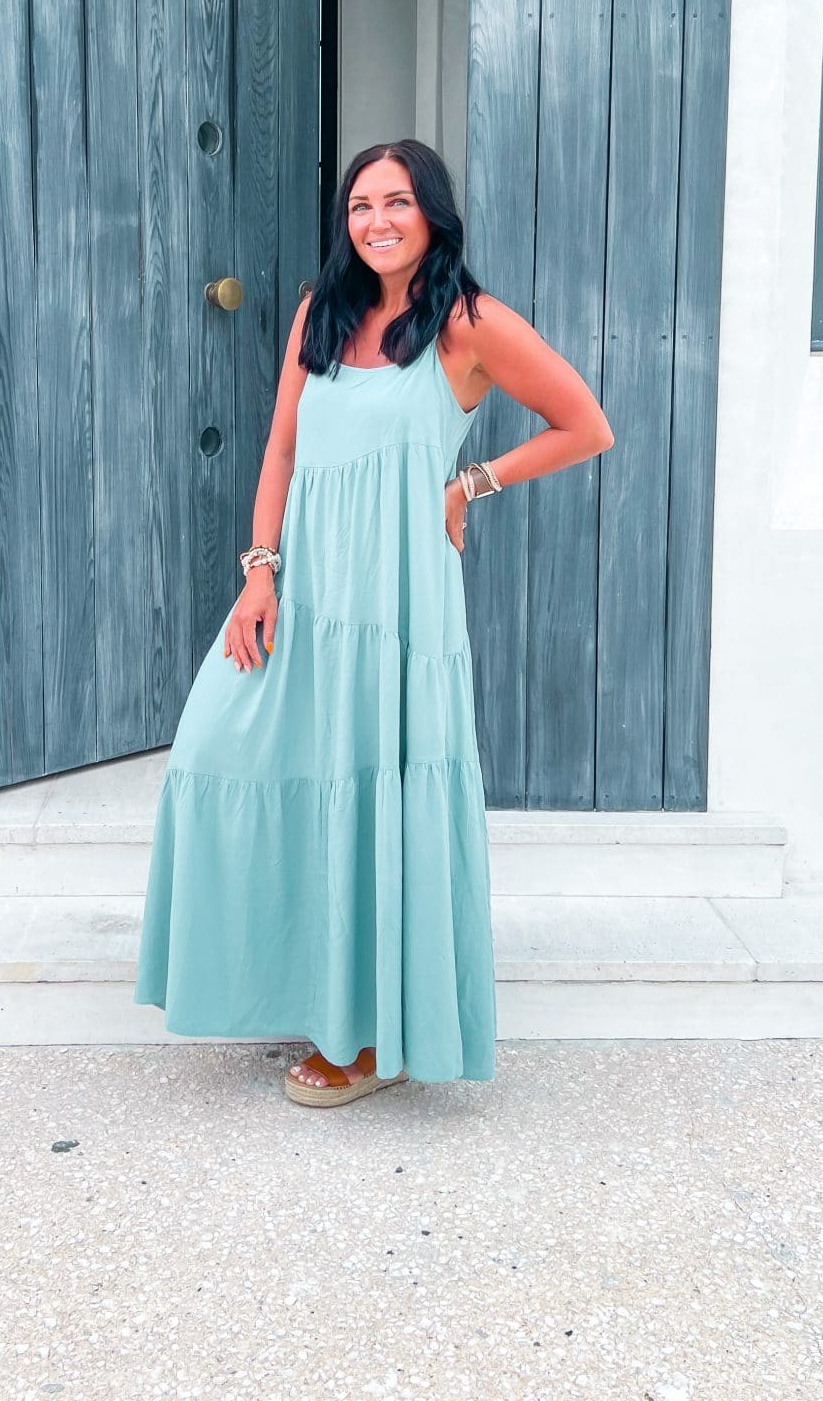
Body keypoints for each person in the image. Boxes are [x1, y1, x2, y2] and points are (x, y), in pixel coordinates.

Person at [133, 138, 614, 1104]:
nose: (377, 221)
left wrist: (472, 480)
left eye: (396, 202)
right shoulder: (323, 312)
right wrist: (259, 573)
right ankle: (293, 982)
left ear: (431, 212)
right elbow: (278, 452)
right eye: (360, 205)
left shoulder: (468, 326)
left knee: (375, 792)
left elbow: (586, 425)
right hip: (304, 591)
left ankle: (365, 1037)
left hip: (397, 608)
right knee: (218, 753)